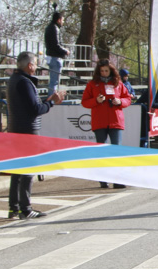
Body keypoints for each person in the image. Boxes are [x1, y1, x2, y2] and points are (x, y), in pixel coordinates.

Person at [6, 51, 65, 219]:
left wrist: (47, 101)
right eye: (36, 64)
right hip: (27, 131)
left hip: (16, 129)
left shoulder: (14, 80)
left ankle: (13, 207)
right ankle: (25, 208)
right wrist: (52, 102)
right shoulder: (24, 82)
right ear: (29, 65)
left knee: (17, 170)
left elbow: (31, 105)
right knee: (28, 170)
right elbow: (35, 109)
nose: (37, 67)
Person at [81, 59, 132, 188]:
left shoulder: (118, 83)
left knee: (116, 151)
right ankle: (103, 179)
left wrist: (119, 101)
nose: (104, 73)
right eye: (102, 71)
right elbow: (85, 102)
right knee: (101, 152)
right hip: (100, 121)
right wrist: (96, 100)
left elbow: (127, 98)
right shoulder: (92, 84)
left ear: (111, 71)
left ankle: (118, 180)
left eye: (106, 71)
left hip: (115, 121)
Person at [44, 11, 70, 93]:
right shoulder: (55, 28)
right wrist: (65, 51)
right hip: (55, 58)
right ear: (59, 20)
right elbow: (56, 45)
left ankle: (51, 99)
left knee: (53, 81)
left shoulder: (48, 27)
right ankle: (52, 100)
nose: (63, 22)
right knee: (54, 82)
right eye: (62, 20)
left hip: (50, 57)